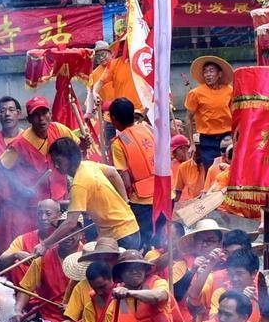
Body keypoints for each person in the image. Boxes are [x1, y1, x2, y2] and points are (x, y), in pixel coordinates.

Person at [37, 136, 140, 251]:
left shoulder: (78, 184)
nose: (56, 166)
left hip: (121, 236)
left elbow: (71, 222)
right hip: (130, 228)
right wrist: (124, 201)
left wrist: (45, 244)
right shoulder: (87, 165)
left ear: (70, 158)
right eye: (55, 162)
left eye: (59, 161)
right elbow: (112, 172)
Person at [2, 97, 76, 203]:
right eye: (36, 115)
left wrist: (84, 145)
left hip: (60, 201)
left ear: (50, 114)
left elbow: (76, 154)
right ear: (29, 119)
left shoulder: (59, 130)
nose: (41, 118)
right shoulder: (19, 144)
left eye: (44, 113)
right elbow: (1, 169)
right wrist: (21, 188)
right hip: (35, 207)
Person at [109, 100, 159, 245]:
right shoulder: (148, 128)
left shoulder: (119, 143)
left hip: (143, 201)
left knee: (143, 244)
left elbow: (124, 178)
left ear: (113, 119)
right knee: (162, 241)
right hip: (166, 193)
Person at [184, 56, 234, 170]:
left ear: (219, 74)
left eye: (211, 71)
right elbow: (188, 118)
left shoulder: (229, 91)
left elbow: (236, 114)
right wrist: (191, 143)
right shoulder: (195, 93)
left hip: (227, 136)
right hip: (207, 140)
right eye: (205, 72)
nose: (208, 74)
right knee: (212, 170)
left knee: (230, 170)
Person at [171, 134, 205, 204]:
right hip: (190, 206)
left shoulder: (210, 165)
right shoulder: (182, 167)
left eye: (175, 151)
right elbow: (177, 192)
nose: (173, 154)